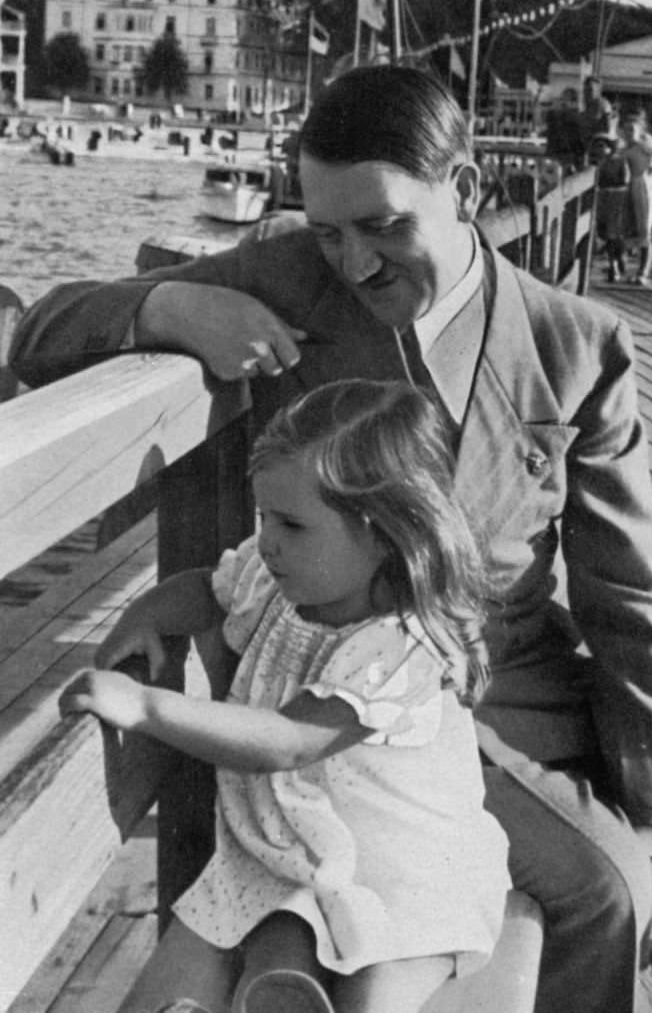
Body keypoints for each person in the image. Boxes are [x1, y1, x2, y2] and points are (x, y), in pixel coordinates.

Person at [11, 65, 652, 1013]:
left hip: (526, 682)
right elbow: (40, 329)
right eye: (329, 230)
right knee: (608, 893)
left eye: (384, 226)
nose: (356, 264)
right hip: (361, 702)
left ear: (464, 191)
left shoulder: (574, 344)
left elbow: (631, 597)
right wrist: (170, 309)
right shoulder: (288, 275)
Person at [59, 379, 511, 1013]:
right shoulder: (282, 583)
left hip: (407, 874)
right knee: (227, 965)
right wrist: (144, 614)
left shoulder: (398, 645)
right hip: (290, 853)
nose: (268, 540)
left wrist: (146, 706)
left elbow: (289, 741)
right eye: (263, 517)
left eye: (292, 524)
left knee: (375, 996)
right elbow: (207, 588)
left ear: (383, 533)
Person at [620, 108, 652, 286]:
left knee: (646, 228)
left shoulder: (645, 146)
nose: (629, 133)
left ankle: (643, 271)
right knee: (633, 227)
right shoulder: (625, 149)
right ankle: (632, 268)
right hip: (631, 187)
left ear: (640, 130)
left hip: (645, 185)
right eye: (626, 129)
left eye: (633, 129)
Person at [590, 133, 629, 283]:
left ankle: (615, 265)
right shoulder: (598, 163)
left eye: (603, 146)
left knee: (614, 235)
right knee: (605, 233)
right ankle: (617, 261)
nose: (600, 149)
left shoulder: (620, 161)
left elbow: (625, 180)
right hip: (602, 200)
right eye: (597, 146)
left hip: (617, 199)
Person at [578, 75, 615, 158]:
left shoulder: (601, 104)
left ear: (598, 90)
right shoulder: (588, 105)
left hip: (598, 148)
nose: (587, 93)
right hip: (586, 147)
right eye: (585, 90)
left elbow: (607, 127)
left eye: (590, 90)